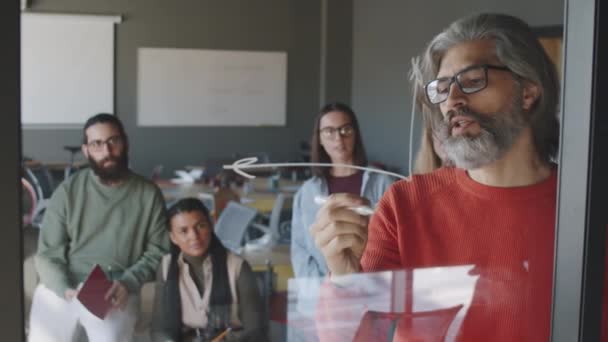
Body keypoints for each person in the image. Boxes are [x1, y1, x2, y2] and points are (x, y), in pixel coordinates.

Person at [309, 13, 586, 341]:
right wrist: (342, 277)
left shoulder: (586, 207)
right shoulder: (404, 205)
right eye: (442, 89)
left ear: (528, 91)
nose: (452, 101)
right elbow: (353, 338)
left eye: (472, 81)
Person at [29, 113, 169, 342]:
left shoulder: (148, 194)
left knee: (110, 338)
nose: (107, 150)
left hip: (115, 286)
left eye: (113, 141)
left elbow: (159, 250)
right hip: (66, 283)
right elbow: (47, 254)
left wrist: (128, 282)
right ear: (86, 151)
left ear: (125, 143)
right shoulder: (67, 191)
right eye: (97, 144)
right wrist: (64, 288)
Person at [290, 102, 394, 279]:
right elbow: (300, 251)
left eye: (345, 129)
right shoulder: (307, 192)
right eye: (329, 131)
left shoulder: (383, 183)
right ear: (320, 139)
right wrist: (326, 290)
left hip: (372, 285)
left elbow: (392, 243)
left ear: (355, 134)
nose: (338, 138)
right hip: (323, 294)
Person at [151, 198, 264, 342]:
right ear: (173, 237)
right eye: (183, 231)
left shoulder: (238, 267)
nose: (194, 236)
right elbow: (159, 329)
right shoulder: (166, 267)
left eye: (200, 226)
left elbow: (255, 331)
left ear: (211, 225)